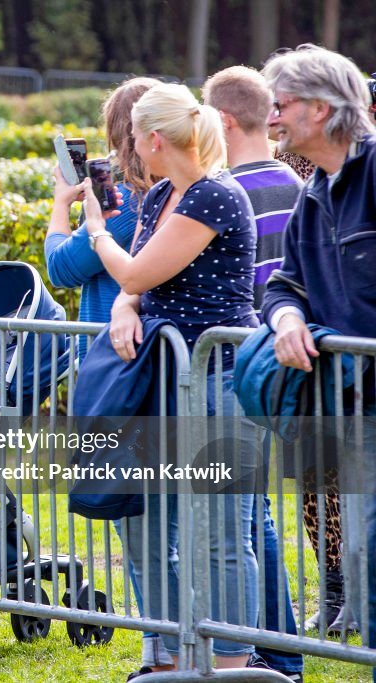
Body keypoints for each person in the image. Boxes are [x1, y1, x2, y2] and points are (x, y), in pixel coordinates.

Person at [84, 83, 263, 677]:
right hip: (160, 383)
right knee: (144, 528)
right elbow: (135, 288)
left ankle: (233, 662)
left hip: (216, 384)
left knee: (219, 533)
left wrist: (96, 232)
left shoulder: (215, 197)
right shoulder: (162, 192)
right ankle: (167, 657)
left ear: (155, 139)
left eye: (135, 134)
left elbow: (135, 269)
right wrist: (121, 309)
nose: (130, 144)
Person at [44, 76, 175, 672]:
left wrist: (61, 204)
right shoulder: (153, 199)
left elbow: (62, 267)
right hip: (134, 367)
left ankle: (164, 643)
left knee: (144, 524)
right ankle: (166, 642)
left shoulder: (126, 207)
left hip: (120, 371)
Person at [260, 43, 376, 682]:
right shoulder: (315, 194)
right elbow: (285, 285)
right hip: (352, 410)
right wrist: (288, 318)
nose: (271, 117)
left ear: (323, 108)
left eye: (280, 105)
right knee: (367, 570)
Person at [203, 64, 306, 682]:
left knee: (247, 522)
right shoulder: (295, 187)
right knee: (254, 516)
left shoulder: (229, 192)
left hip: (246, 367)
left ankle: (275, 653)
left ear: (220, 120)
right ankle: (280, 649)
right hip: (276, 366)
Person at [44, 77, 160, 362]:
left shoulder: (122, 202)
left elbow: (60, 269)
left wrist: (62, 202)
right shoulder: (176, 191)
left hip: (114, 358)